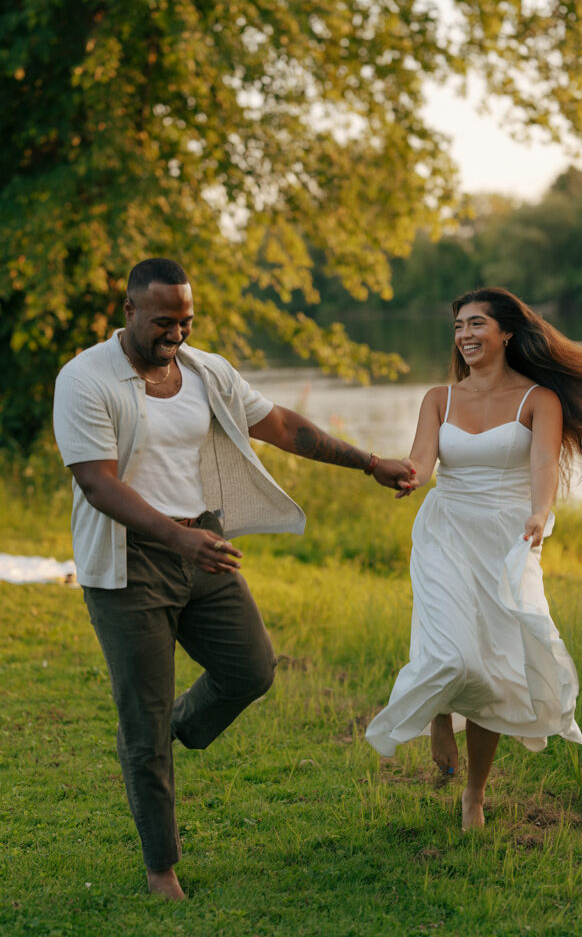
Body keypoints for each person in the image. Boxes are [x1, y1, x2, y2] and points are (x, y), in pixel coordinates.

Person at [53, 257, 413, 900]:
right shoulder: (85, 379)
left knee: (251, 670)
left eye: (186, 320)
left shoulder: (206, 371)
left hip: (202, 545)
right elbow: (97, 481)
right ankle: (161, 866)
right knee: (142, 717)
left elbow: (280, 425)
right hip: (129, 561)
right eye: (164, 321)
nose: (177, 333)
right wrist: (176, 537)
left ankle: (174, 727)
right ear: (129, 310)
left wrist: (369, 462)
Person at [365, 287, 582, 830]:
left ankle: (474, 795)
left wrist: (541, 514)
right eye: (459, 326)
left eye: (476, 324)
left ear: (507, 331)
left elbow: (543, 467)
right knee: (450, 651)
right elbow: (421, 460)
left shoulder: (539, 399)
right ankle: (441, 715)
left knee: (492, 669)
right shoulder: (438, 399)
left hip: (508, 540)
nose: (465, 335)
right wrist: (393, 469)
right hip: (445, 530)